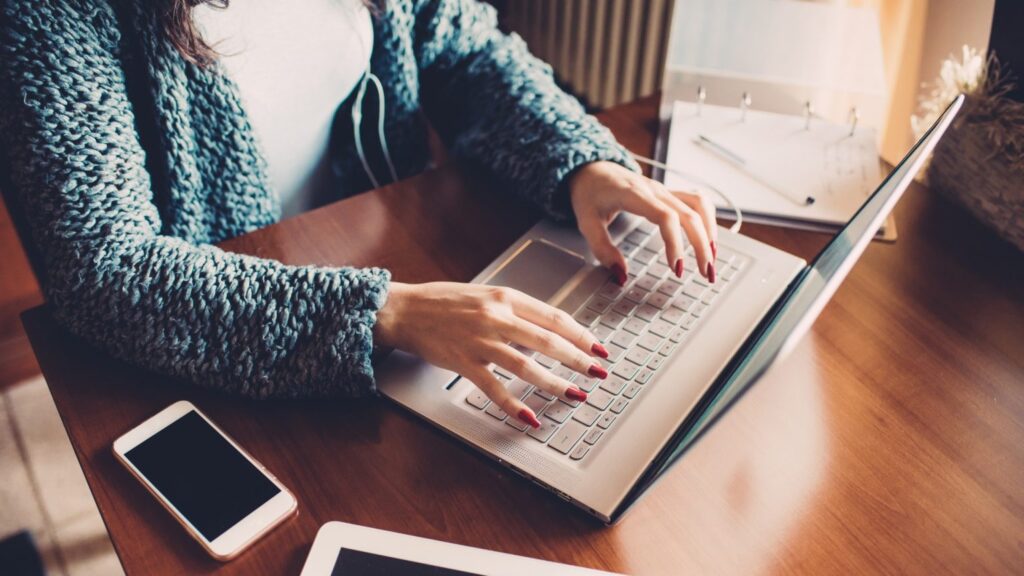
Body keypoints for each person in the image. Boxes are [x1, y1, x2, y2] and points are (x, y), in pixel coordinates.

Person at [0, 0, 717, 429]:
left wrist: (583, 161)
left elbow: (465, 50)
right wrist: (385, 315)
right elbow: (107, 267)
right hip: (215, 337)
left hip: (399, 272)